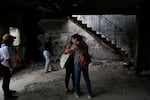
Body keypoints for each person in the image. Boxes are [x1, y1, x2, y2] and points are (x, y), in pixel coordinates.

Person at [71, 34, 92, 99]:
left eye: (72, 39)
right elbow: (87, 52)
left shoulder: (76, 45)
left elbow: (70, 51)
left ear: (76, 39)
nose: (72, 40)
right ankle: (89, 94)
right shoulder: (85, 44)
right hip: (85, 63)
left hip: (77, 63)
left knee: (77, 79)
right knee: (87, 79)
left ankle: (77, 93)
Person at [0, 34, 18, 100]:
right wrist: (10, 68)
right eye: (12, 40)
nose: (13, 41)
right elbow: (7, 59)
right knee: (6, 80)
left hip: (6, 66)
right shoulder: (5, 48)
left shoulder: (8, 47)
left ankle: (8, 91)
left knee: (8, 79)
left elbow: (13, 55)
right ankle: (6, 96)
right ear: (8, 40)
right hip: (4, 66)